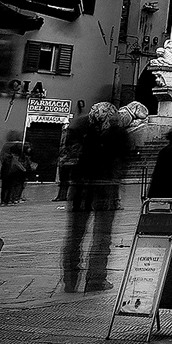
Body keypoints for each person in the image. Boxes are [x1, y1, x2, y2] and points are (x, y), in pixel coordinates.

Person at [62, 103, 131, 293]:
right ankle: (96, 279)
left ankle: (70, 280)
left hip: (80, 189)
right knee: (102, 237)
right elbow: (122, 160)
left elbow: (69, 155)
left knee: (74, 236)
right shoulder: (118, 133)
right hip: (106, 189)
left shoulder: (79, 129)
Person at [57, 102, 88, 202]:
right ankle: (61, 196)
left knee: (66, 181)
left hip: (69, 161)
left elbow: (72, 150)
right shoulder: (68, 138)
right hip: (65, 161)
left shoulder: (74, 141)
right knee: (64, 181)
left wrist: (66, 157)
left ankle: (64, 196)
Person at [0, 138, 28, 206]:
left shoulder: (5, 157)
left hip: (5, 175)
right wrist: (24, 170)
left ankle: (3, 201)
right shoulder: (14, 159)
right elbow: (21, 167)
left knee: (4, 188)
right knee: (10, 188)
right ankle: (8, 201)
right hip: (12, 175)